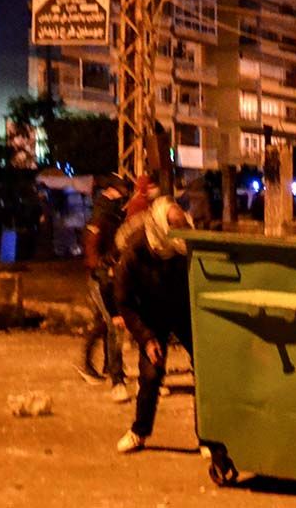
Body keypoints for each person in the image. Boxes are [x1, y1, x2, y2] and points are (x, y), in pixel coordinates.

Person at [113, 196, 195, 454]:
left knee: (205, 372)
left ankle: (209, 439)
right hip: (151, 314)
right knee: (150, 375)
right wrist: (147, 338)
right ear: (161, 226)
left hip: (183, 310)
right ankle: (139, 432)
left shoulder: (183, 244)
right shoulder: (136, 250)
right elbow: (124, 301)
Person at [77, 174, 132, 403]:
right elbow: (91, 253)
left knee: (104, 324)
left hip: (108, 277)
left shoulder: (112, 217)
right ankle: (115, 376)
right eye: (120, 192)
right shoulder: (100, 219)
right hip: (100, 280)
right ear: (110, 192)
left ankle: (99, 366)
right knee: (113, 325)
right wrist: (104, 266)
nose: (123, 198)